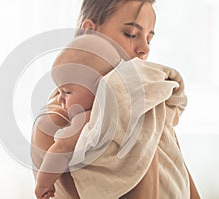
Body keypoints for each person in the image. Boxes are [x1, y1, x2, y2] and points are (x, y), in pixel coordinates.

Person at [31, 0, 201, 198]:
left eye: (149, 39)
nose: (144, 49)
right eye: (131, 34)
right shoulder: (55, 122)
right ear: (90, 33)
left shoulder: (147, 101)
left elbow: (184, 179)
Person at [34, 34, 122, 199]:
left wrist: (43, 183)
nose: (60, 99)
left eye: (67, 92)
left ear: (100, 87)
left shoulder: (90, 118)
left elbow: (61, 149)